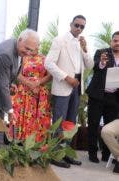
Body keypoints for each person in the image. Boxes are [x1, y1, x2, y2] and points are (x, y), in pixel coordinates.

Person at [44, 15, 94, 168]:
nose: (79, 28)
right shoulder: (60, 40)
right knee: (59, 122)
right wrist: (66, 78)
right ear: (71, 24)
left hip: (77, 87)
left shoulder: (81, 43)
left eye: (82, 27)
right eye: (77, 25)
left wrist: (85, 49)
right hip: (64, 85)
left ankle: (65, 154)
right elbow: (48, 63)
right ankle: (54, 154)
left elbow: (90, 65)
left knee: (70, 123)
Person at [0, 29, 40, 153]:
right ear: (20, 40)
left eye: (32, 50)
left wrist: (12, 83)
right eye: (27, 48)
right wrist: (10, 110)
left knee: (0, 125)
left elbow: (9, 73)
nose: (29, 53)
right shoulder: (6, 54)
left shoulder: (18, 48)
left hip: (0, 91)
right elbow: (2, 85)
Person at [86, 31, 119, 163]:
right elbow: (95, 67)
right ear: (111, 41)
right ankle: (92, 153)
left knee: (108, 127)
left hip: (114, 97)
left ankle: (106, 155)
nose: (117, 43)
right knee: (93, 125)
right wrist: (102, 63)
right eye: (115, 40)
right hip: (97, 95)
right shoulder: (102, 52)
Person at [9, 50, 51, 141]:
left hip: (39, 93)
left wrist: (38, 83)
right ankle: (19, 143)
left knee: (38, 119)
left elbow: (49, 76)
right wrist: (29, 84)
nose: (33, 48)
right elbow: (17, 74)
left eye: (36, 45)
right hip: (24, 93)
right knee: (20, 118)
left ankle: (37, 144)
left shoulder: (45, 58)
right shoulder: (23, 57)